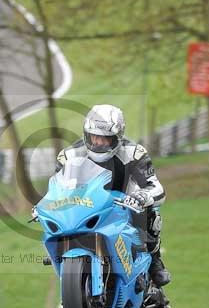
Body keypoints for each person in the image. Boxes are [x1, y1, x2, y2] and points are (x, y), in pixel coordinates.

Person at [54, 104, 171, 287]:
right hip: (84, 208)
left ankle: (154, 261)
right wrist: (43, 206)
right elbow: (56, 189)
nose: (98, 143)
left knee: (151, 212)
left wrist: (142, 196)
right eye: (94, 137)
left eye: (105, 139)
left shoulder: (133, 153)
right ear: (86, 134)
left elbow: (156, 187)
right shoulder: (69, 155)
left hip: (124, 206)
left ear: (118, 137)